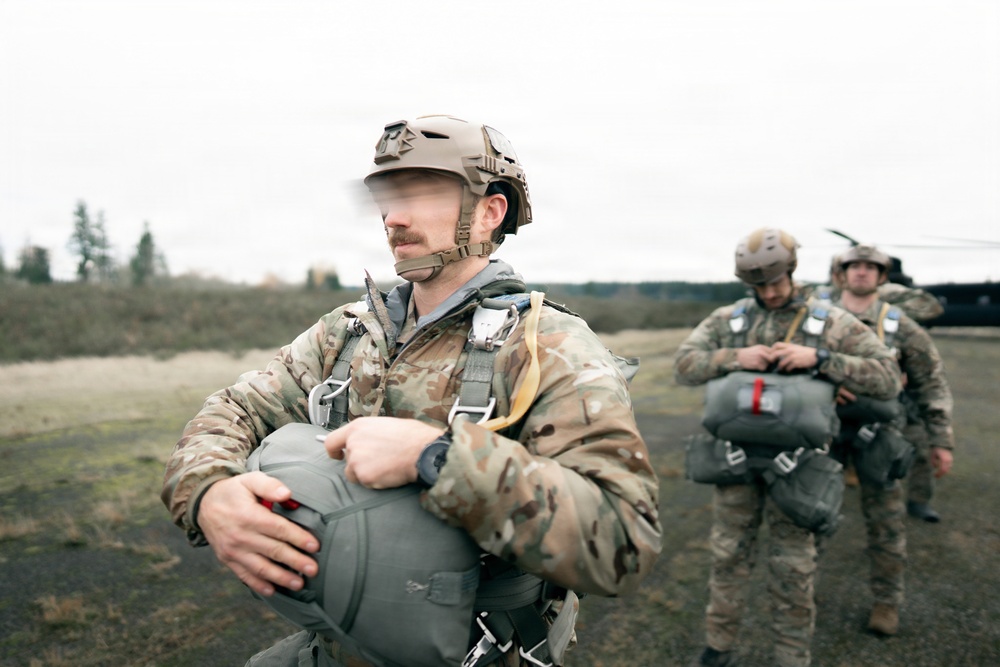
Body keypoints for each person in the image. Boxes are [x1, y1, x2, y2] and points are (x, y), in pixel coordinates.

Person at [160, 115, 662, 667]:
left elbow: (623, 540)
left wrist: (437, 459)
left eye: (421, 193)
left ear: (490, 211)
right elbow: (235, 409)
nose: (394, 217)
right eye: (390, 196)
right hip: (340, 638)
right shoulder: (347, 331)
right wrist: (207, 493)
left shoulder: (549, 346)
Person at [675, 228, 901, 667]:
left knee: (794, 569)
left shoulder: (829, 321)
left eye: (776, 282)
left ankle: (791, 657)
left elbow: (887, 376)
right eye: (759, 285)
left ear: (793, 270)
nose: (770, 292)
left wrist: (820, 360)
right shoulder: (731, 320)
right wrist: (735, 358)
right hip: (736, 462)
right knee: (727, 559)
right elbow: (685, 365)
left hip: (799, 468)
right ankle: (718, 647)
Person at [830, 244, 955, 636]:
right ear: (841, 273)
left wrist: (941, 439)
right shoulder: (818, 319)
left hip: (880, 436)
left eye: (871, 267)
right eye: (855, 266)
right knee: (805, 517)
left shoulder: (899, 323)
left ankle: (886, 603)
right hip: (825, 433)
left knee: (886, 523)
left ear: (882, 277)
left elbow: (930, 381)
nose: (862, 273)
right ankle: (796, 600)